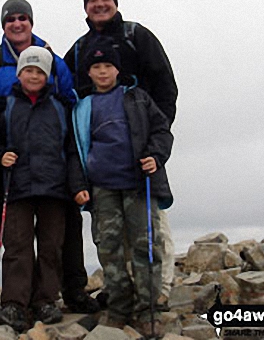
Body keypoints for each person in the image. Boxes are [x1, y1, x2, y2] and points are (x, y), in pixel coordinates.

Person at [64, 0, 178, 303]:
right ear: (85, 6)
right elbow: (65, 89)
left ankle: (158, 293)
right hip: (104, 166)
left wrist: (153, 138)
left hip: (143, 155)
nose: (99, 4)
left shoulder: (137, 36)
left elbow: (166, 86)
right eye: (92, 0)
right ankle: (123, 294)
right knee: (113, 236)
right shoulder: (79, 49)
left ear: (115, 2)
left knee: (151, 229)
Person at [72, 39, 173, 338]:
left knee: (146, 248)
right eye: (96, 67)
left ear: (118, 69)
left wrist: (155, 156)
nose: (102, 72)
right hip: (102, 188)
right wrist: (79, 184)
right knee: (109, 249)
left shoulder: (138, 98)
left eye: (108, 66)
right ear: (88, 72)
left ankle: (147, 310)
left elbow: (161, 130)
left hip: (138, 185)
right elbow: (75, 149)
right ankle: (118, 308)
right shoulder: (82, 107)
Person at [0, 47, 88, 332]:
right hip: (17, 186)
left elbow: (71, 150)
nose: (34, 75)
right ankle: (14, 303)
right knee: (17, 246)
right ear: (19, 73)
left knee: (50, 247)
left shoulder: (60, 106)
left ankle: (46, 299)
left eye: (40, 71)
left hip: (54, 188)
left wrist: (77, 185)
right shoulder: (4, 104)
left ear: (48, 76)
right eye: (28, 70)